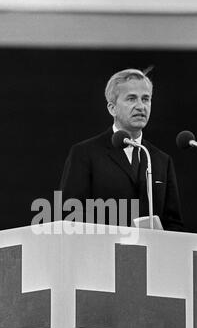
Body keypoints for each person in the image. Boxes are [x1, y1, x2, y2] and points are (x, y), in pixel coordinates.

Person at [60, 69, 184, 231]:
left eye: (146, 99)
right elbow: (70, 214)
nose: (141, 106)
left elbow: (173, 223)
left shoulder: (161, 160)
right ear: (112, 108)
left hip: (151, 253)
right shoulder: (85, 153)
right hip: (102, 251)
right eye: (131, 98)